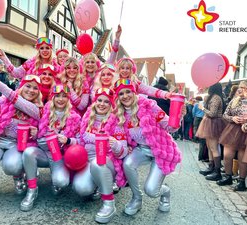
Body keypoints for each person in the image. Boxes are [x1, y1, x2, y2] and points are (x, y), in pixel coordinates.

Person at [113, 79, 183, 215]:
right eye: (121, 94)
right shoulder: (120, 115)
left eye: (128, 91)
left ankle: (165, 192)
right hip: (141, 149)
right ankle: (136, 198)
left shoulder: (149, 106)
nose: (125, 96)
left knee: (151, 191)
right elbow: (121, 137)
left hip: (160, 149)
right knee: (127, 163)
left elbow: (170, 127)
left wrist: (177, 117)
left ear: (134, 92)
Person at [20, 84, 81, 211]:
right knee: (28, 152)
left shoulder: (75, 117)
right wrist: (36, 133)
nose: (60, 99)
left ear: (68, 99)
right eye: (57, 96)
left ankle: (56, 177)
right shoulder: (44, 113)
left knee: (61, 182)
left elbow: (81, 141)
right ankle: (32, 189)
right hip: (44, 153)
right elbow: (38, 137)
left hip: (61, 157)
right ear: (52, 98)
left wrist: (68, 140)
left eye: (64, 96)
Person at [80, 87, 128, 223]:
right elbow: (80, 140)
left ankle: (109, 204)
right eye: (99, 100)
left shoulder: (116, 122)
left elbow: (123, 152)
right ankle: (98, 185)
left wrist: (116, 145)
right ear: (94, 102)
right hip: (88, 163)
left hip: (108, 163)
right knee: (82, 188)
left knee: (98, 162)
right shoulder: (87, 118)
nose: (102, 104)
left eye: (106, 102)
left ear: (111, 105)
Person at [217, 81, 247, 191]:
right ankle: (228, 176)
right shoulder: (234, 100)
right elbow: (225, 115)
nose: (240, 90)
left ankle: (242, 181)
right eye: (240, 87)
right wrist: (233, 118)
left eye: (244, 88)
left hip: (245, 131)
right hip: (232, 129)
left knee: (242, 158)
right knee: (227, 155)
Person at [196, 82, 225, 181]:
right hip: (210, 123)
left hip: (214, 123)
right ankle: (211, 167)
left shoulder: (216, 98)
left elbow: (212, 114)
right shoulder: (213, 97)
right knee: (209, 147)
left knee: (213, 148)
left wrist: (202, 108)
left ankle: (217, 172)